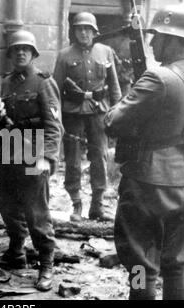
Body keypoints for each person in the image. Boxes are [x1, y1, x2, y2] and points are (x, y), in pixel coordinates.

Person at [105, 5, 184, 300]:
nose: (151, 43)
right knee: (176, 263)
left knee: (139, 264)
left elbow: (112, 122)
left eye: (155, 37)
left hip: (148, 180)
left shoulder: (157, 78)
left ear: (171, 38)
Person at [0, 29, 63, 291]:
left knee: (36, 214)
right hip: (10, 153)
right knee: (8, 208)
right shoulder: (7, 82)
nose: (20, 52)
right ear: (10, 55)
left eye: (25, 49)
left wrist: (48, 158)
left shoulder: (43, 82)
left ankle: (46, 263)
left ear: (32, 54)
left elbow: (54, 126)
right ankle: (17, 252)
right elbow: (1, 120)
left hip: (35, 154)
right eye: (16, 49)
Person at [53, 12, 122, 222]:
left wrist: (117, 112)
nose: (83, 33)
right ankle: (76, 203)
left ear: (94, 31)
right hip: (72, 113)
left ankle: (97, 205)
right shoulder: (64, 55)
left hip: (99, 112)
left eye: (87, 29)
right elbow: (55, 88)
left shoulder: (106, 52)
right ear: (74, 31)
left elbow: (115, 86)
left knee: (99, 157)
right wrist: (55, 116)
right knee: (73, 160)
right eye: (79, 28)